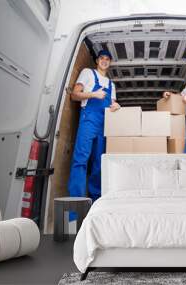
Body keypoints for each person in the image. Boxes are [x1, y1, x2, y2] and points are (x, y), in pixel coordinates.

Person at [67, 50, 120, 212]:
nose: (104, 61)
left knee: (99, 162)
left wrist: (116, 106)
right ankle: (77, 204)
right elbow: (74, 95)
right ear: (97, 60)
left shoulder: (112, 84)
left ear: (110, 62)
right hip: (89, 120)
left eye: (107, 59)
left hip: (104, 124)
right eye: (102, 58)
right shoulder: (88, 73)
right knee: (81, 160)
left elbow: (112, 104)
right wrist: (93, 94)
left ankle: (96, 201)